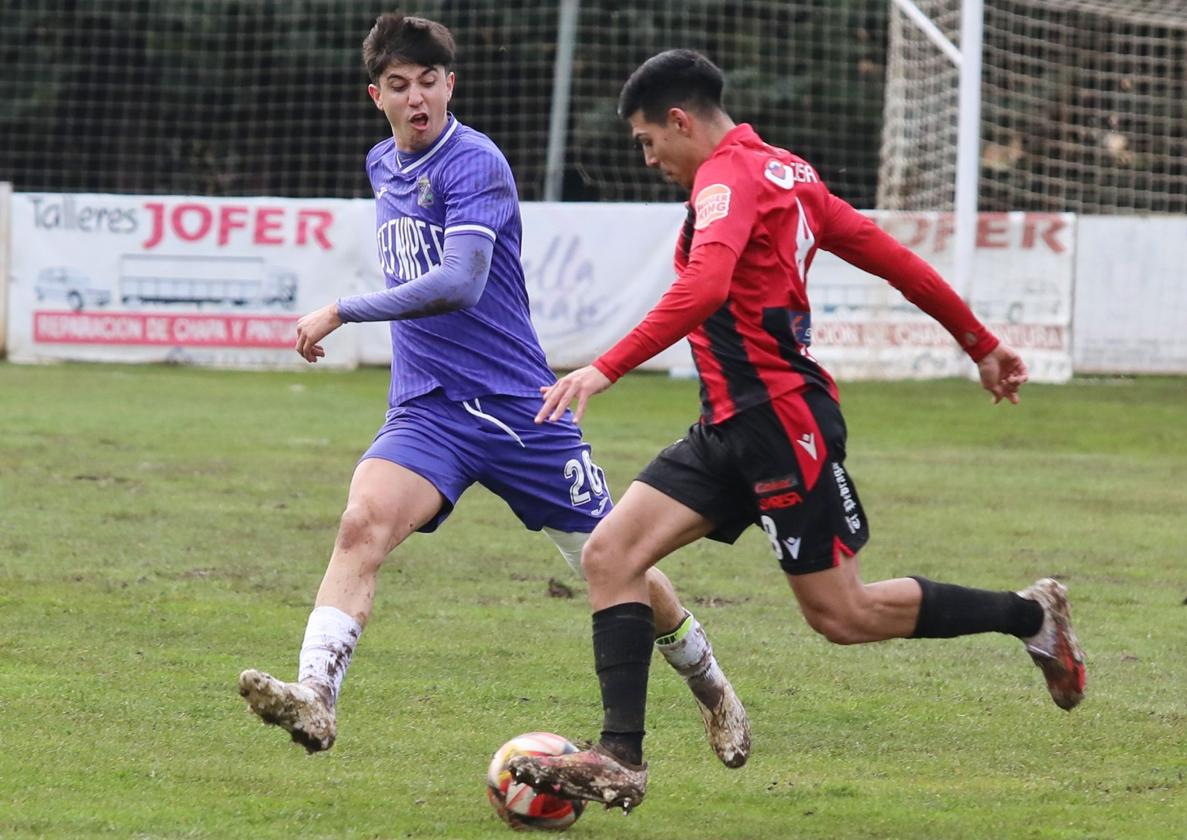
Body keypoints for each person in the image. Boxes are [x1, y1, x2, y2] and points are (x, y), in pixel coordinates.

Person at [509, 49, 1086, 812]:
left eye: (649, 140)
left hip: (782, 424)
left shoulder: (729, 179)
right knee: (611, 552)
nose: (649, 159)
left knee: (840, 616)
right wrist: (980, 343)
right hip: (728, 425)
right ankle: (620, 758)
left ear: (681, 120)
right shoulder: (788, 172)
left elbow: (706, 283)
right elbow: (894, 260)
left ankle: (1029, 614)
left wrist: (604, 367)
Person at [236, 17, 750, 769]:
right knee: (360, 525)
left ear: (451, 84)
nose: (418, 98)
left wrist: (344, 308)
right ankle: (316, 694)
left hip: (519, 413)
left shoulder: (474, 162)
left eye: (430, 81)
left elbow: (459, 282)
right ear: (375, 95)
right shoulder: (383, 162)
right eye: (400, 85)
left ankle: (714, 692)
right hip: (428, 411)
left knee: (617, 564)